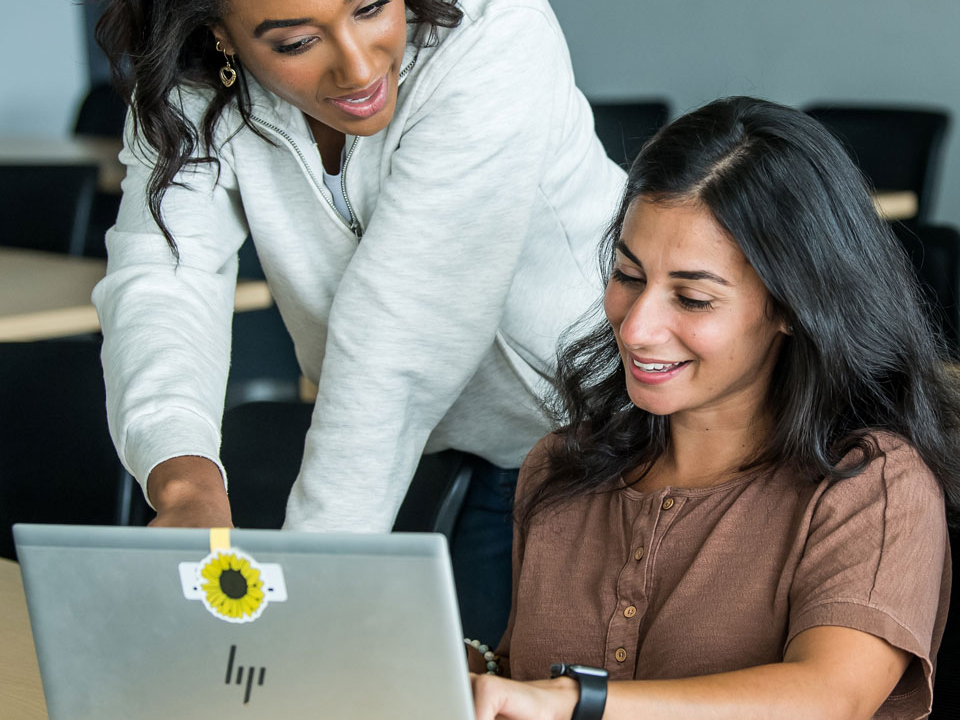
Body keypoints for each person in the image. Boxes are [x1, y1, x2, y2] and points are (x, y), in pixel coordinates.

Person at [91, 0, 625, 642]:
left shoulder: (493, 33)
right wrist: (184, 483)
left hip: (611, 439)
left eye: (371, 8)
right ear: (219, 38)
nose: (359, 66)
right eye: (295, 43)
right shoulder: (192, 91)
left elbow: (398, 335)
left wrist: (309, 598)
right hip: (436, 447)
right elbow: (162, 279)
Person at [469, 96, 957, 719]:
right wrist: (476, 670)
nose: (637, 327)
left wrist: (574, 702)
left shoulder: (871, 483)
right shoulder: (562, 467)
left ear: (790, 307)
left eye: (693, 298)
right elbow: (524, 676)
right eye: (628, 275)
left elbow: (829, 698)